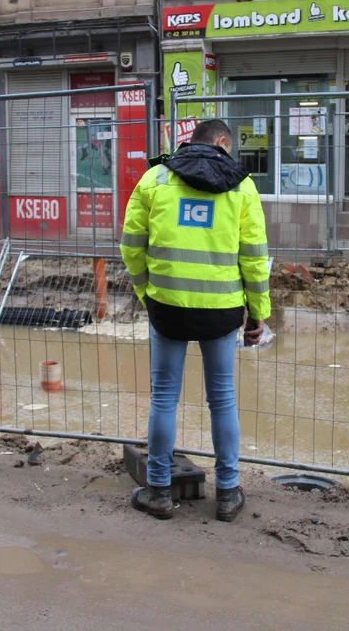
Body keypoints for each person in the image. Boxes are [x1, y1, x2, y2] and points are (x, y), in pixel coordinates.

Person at [120, 119, 270, 522]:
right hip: (221, 311)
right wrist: (258, 313)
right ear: (223, 142)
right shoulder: (243, 187)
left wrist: (145, 293)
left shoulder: (154, 180)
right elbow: (254, 258)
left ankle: (158, 492)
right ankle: (227, 494)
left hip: (167, 307)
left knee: (163, 397)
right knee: (222, 399)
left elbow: (131, 246)